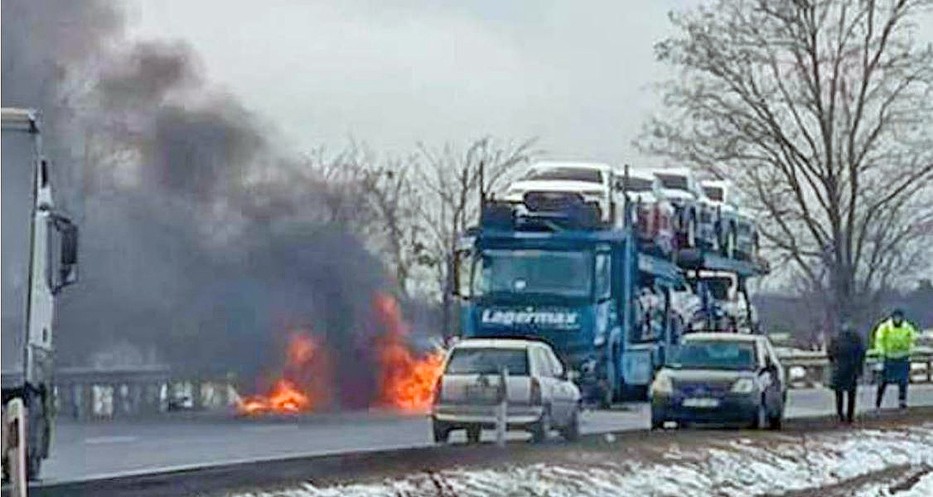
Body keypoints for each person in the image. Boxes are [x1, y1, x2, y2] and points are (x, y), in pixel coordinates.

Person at [873, 308, 918, 409]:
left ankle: (902, 401)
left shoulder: (907, 327)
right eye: (896, 317)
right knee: (883, 381)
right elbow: (879, 339)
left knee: (903, 381)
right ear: (892, 318)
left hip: (902, 357)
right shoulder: (885, 327)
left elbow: (913, 339)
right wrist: (881, 352)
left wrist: (910, 350)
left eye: (899, 317)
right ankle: (878, 402)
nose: (897, 319)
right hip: (888, 358)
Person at [827, 323, 866, 423]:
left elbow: (830, 353)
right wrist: (859, 369)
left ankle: (840, 414)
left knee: (839, 394)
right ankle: (850, 416)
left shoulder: (836, 339)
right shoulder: (856, 340)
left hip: (839, 369)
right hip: (851, 369)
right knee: (851, 394)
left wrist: (834, 364)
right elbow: (862, 354)